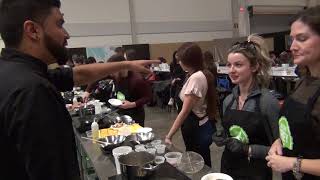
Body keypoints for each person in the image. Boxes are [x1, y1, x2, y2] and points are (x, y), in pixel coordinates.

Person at [0, 1, 158, 179]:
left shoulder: (14, 72)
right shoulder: (33, 90)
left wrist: (127, 64)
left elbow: (78, 75)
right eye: (60, 24)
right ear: (33, 30)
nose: (67, 34)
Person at [212, 35, 280, 179]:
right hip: (228, 166)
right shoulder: (228, 100)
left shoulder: (267, 102)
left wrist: (247, 149)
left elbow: (281, 150)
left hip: (255, 172)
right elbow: (230, 133)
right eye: (229, 65)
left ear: (254, 66)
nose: (231, 70)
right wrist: (222, 136)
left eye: (238, 65)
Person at [266, 5, 320, 179]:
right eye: (292, 39)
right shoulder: (305, 80)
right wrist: (281, 140)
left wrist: (292, 163)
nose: (292, 47)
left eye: (302, 39)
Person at [165, 42, 216, 167]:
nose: (179, 63)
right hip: (197, 124)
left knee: (198, 161)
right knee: (200, 158)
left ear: (189, 61)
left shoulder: (196, 78)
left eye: (181, 60)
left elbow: (184, 112)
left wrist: (169, 135)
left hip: (196, 127)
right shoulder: (196, 74)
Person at [107, 54, 152, 126]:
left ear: (121, 68)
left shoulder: (137, 80)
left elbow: (147, 97)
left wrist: (131, 104)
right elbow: (97, 77)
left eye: (113, 70)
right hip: (121, 111)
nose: (111, 74)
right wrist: (87, 91)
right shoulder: (116, 76)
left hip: (135, 114)